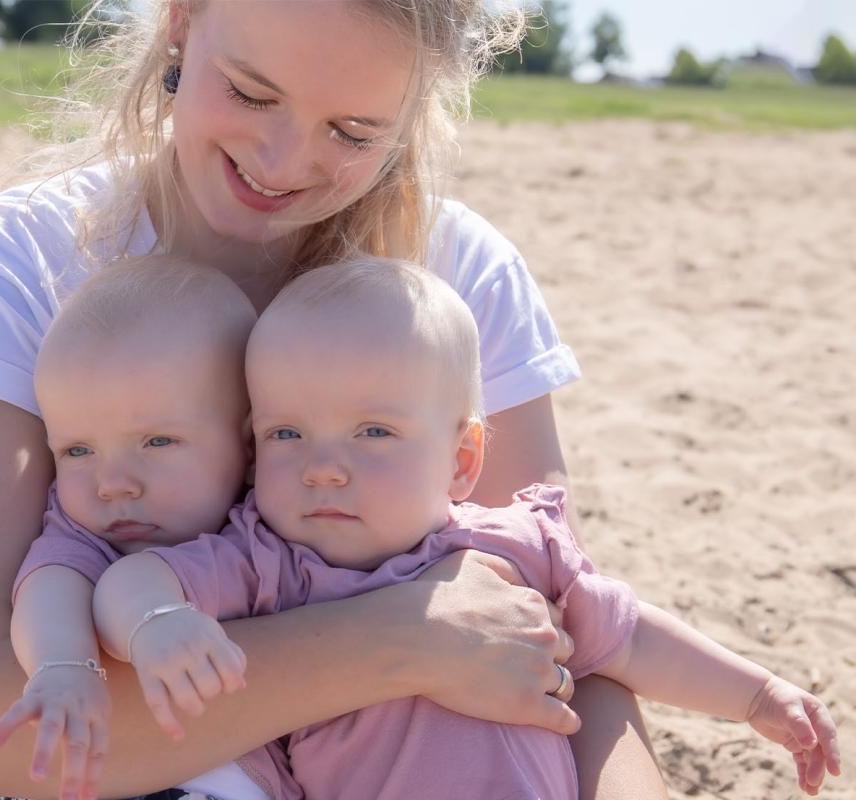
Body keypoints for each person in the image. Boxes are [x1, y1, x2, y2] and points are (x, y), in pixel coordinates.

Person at [0, 1, 670, 797]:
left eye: (354, 133)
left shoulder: (457, 280)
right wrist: (403, 642)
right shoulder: (9, 268)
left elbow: (570, 644)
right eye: (253, 94)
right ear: (181, 21)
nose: (283, 159)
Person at [89, 258, 842, 800]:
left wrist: (755, 695)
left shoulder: (513, 546)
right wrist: (156, 622)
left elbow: (628, 638)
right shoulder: (272, 563)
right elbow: (134, 578)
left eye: (373, 432)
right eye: (288, 434)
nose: (323, 467)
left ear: (462, 459)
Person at [0, 256, 267, 800]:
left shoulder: (273, 520)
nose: (112, 482)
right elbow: (51, 582)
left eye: (157, 442)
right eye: (78, 450)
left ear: (252, 446)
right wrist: (63, 664)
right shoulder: (91, 533)